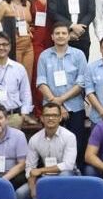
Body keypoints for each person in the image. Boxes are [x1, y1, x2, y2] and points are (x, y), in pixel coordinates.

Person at [35, 23, 89, 167]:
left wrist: (61, 100)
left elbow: (81, 82)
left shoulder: (78, 55)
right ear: (52, 37)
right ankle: (50, 173)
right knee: (50, 144)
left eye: (64, 33)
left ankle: (75, 172)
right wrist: (56, 103)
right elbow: (41, 82)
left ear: (69, 36)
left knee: (76, 143)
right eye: (57, 33)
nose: (60, 36)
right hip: (50, 109)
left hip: (75, 107)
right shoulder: (44, 56)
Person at [24, 103, 78, 199]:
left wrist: (41, 170)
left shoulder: (69, 136)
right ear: (42, 118)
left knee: (63, 176)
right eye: (47, 115)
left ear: (60, 118)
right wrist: (32, 188)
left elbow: (68, 165)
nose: (51, 118)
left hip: (68, 174)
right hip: (44, 178)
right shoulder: (34, 139)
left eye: (54, 115)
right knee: (20, 193)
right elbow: (30, 168)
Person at [27, 0, 53, 114]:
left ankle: (52, 106)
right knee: (38, 74)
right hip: (36, 40)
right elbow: (22, 16)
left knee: (51, 73)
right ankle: (38, 109)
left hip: (53, 39)